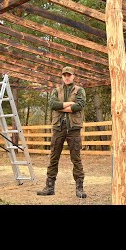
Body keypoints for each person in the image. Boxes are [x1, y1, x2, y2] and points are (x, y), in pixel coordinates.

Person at [37, 66, 87, 198]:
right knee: (53, 157)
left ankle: (79, 188)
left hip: (73, 129)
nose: (67, 77)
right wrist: (69, 104)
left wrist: (62, 106)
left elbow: (79, 106)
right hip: (58, 128)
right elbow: (52, 104)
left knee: (76, 158)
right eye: (64, 75)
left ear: (73, 76)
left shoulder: (79, 90)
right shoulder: (56, 90)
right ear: (62, 76)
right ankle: (49, 187)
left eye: (69, 75)